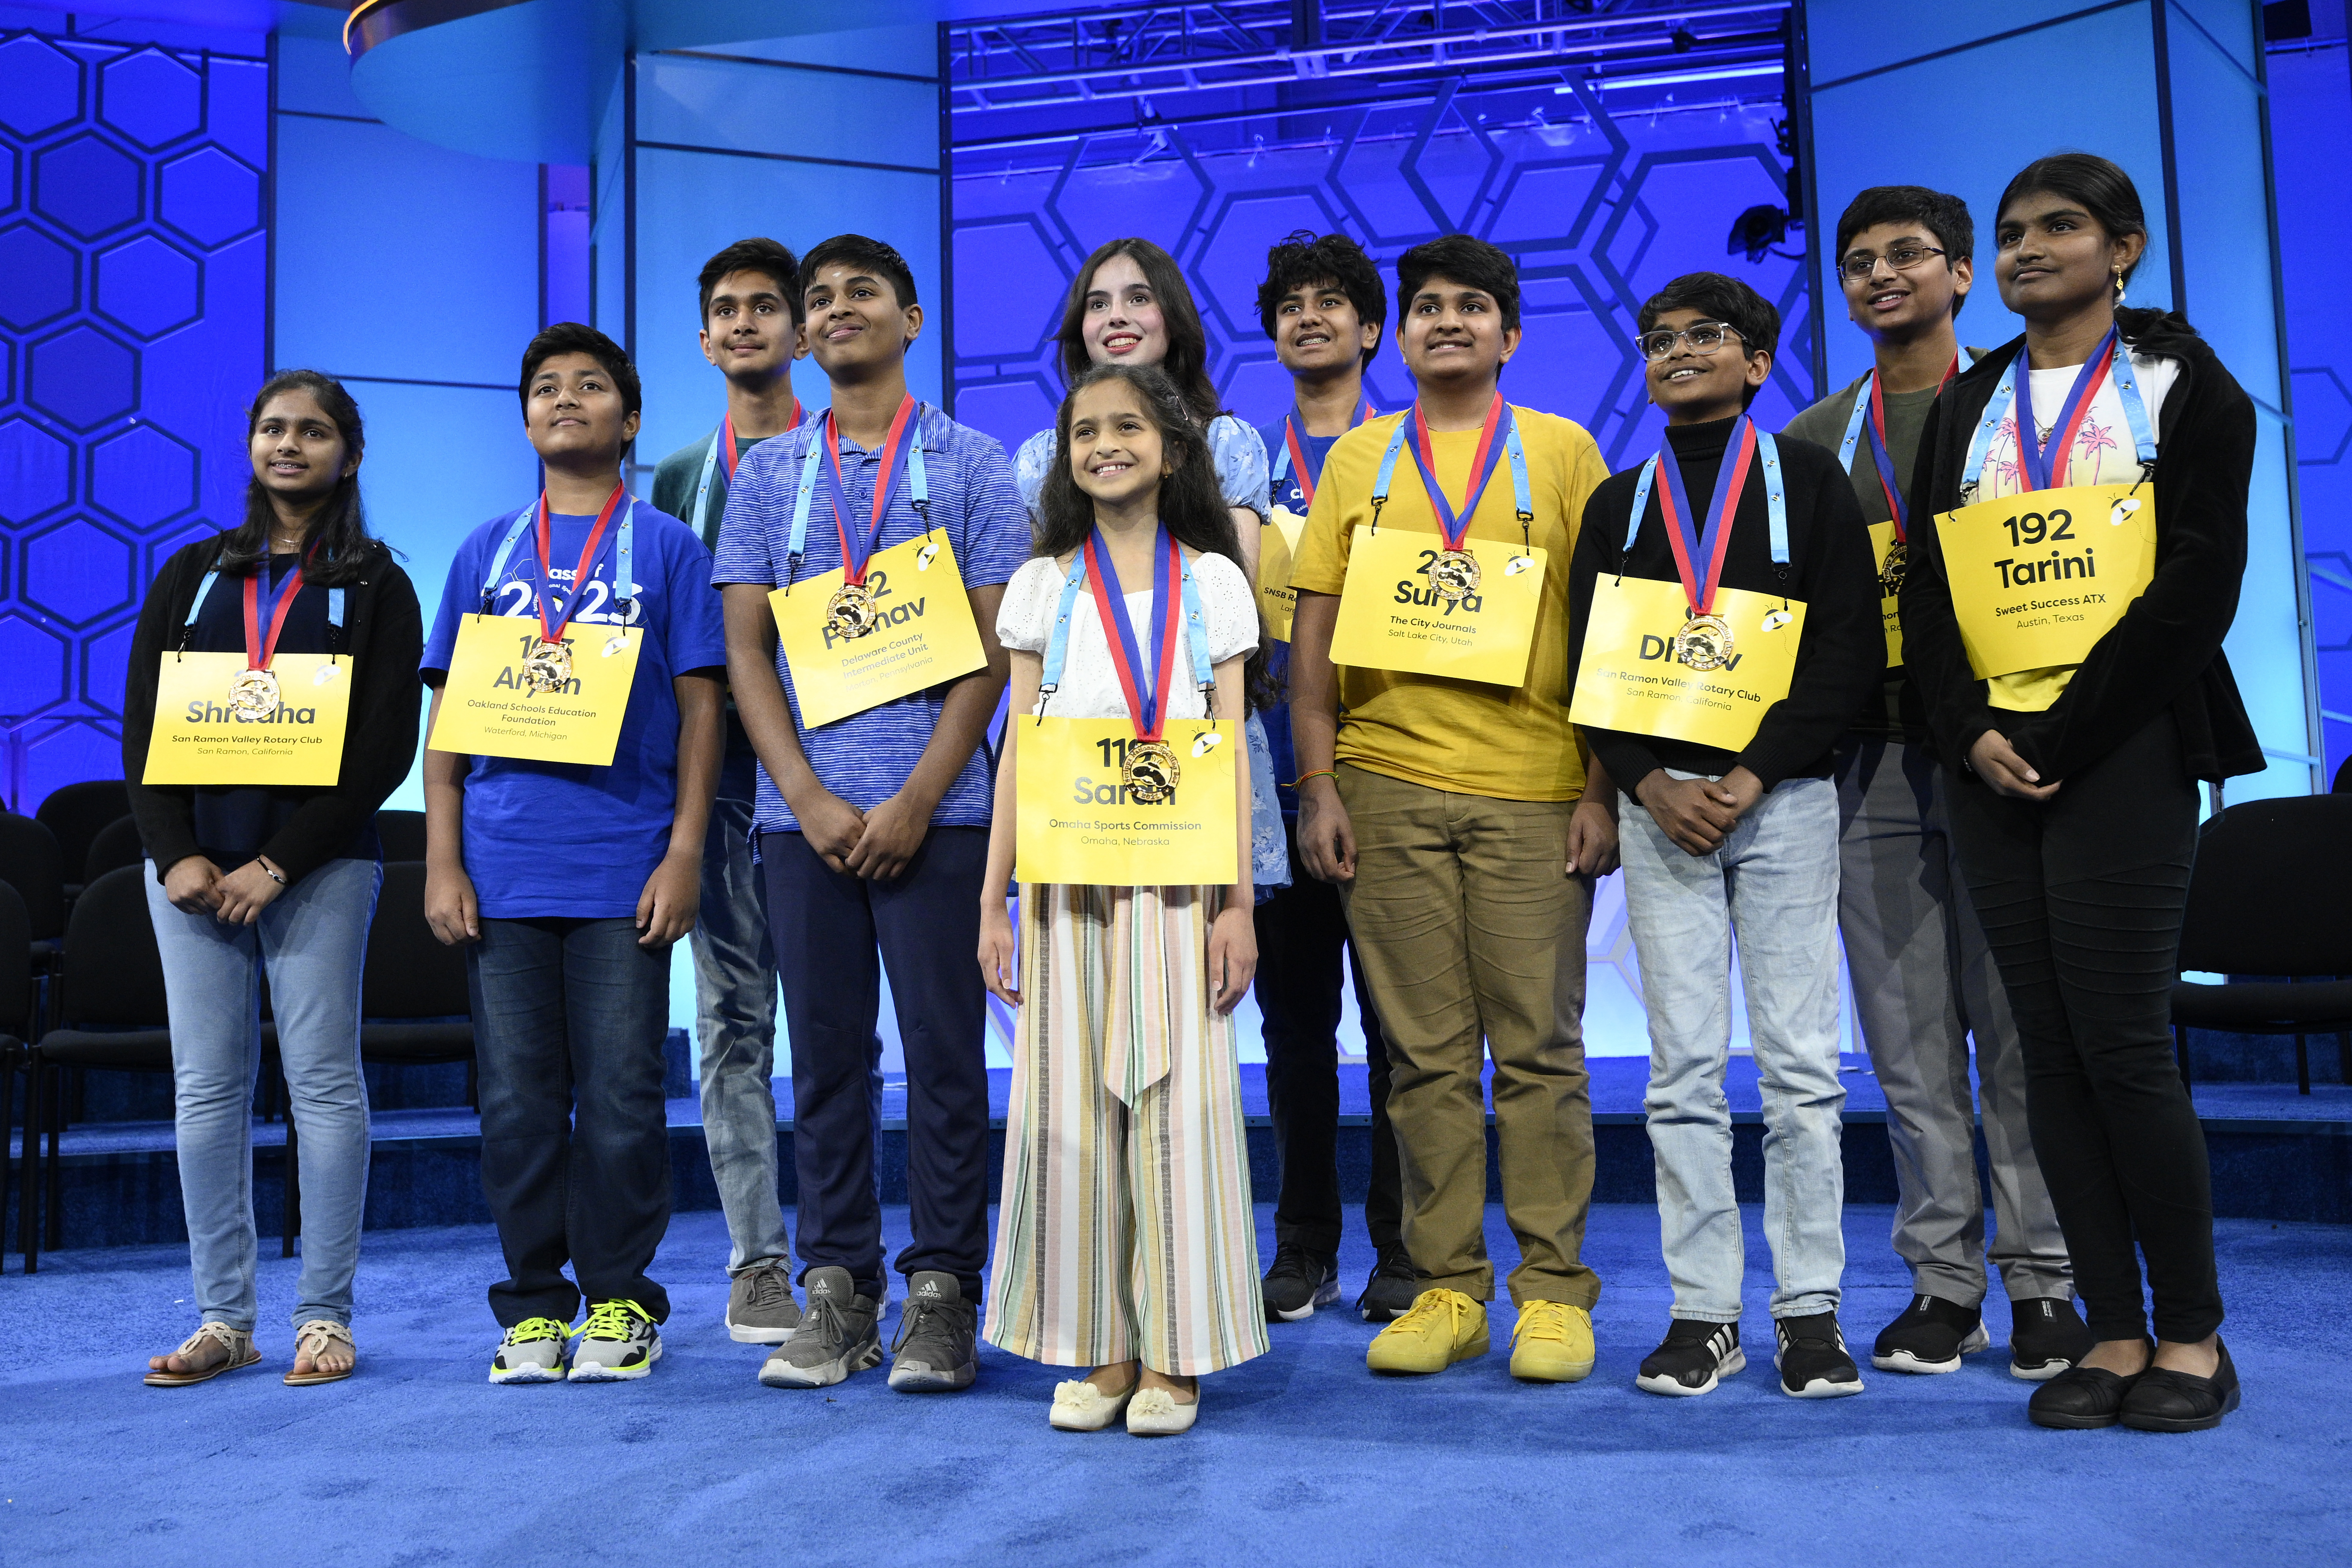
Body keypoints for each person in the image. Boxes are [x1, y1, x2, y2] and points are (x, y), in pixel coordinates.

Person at [1901, 153, 2260, 1433]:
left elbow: (2198, 584)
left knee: (2121, 1046)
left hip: (2124, 748)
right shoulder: (1969, 398)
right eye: (2009, 232)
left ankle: (2192, 1337)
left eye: (2057, 226)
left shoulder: (2185, 385)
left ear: (2123, 247)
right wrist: (1968, 730)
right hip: (1991, 761)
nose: (2024, 249)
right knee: (2044, 1052)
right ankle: (2110, 1329)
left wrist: (2066, 726)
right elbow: (1930, 589)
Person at [1288, 234, 1615, 1384]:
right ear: (1403, 332)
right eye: (1426, 305)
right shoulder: (1361, 459)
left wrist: (1598, 786)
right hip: (1381, 783)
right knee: (1422, 1060)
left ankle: (1552, 1291)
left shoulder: (1562, 450)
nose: (1446, 322)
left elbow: (1605, 622)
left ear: (1508, 334)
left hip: (1534, 787)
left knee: (1538, 1052)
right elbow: (1313, 639)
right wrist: (1316, 783)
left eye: (1471, 306)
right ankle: (1445, 1286)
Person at [1782, 186, 2087, 1382]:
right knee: (1908, 1048)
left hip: (2004, 754)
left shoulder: (2023, 410)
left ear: (1960, 273)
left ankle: (2043, 1275)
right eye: (1857, 261)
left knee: (2014, 1032)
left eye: (1906, 255)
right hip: (1867, 764)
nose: (1879, 275)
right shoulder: (1814, 438)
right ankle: (1942, 1282)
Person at [714, 233, 1026, 1393]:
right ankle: (838, 1288)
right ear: (803, 334)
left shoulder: (970, 463)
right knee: (825, 1059)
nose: (837, 308)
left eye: (862, 292)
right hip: (803, 823)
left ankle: (942, 1291)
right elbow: (746, 650)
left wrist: (917, 797)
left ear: (912, 319)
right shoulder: (767, 474)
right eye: (820, 298)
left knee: (946, 1057)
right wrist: (801, 793)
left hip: (940, 813)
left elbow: (994, 649)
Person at [1572, 274, 1881, 1400]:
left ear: (1755, 363)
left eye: (1704, 335)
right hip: (1659, 810)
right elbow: (1590, 669)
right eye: (1658, 338)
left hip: (1782, 800)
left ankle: (1809, 1310)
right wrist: (1648, 785)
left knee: (1799, 1067)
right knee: (1681, 1073)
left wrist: (1749, 776)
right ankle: (1703, 1311)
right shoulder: (1619, 503)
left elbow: (1848, 653)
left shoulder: (1808, 479)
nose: (1677, 350)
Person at [421, 323, 726, 1384]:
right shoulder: (485, 551)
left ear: (629, 420)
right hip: (502, 866)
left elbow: (702, 713)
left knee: (622, 1097)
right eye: (545, 387)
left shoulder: (668, 549)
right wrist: (442, 858)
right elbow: (448, 726)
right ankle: (534, 1304)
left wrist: (684, 851)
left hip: (623, 867)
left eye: (590, 385)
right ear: (524, 420)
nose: (565, 399)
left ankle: (622, 1298)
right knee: (514, 1101)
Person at [980, 361, 1266, 1436]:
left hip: (1182, 889)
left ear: (1174, 449)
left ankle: (1176, 1353)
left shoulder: (1213, 583)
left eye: (1128, 427)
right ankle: (1102, 1348)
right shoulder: (1042, 586)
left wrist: (1239, 904)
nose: (1104, 444)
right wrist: (992, 901)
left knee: (1179, 1111)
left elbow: (1230, 756)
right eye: (1084, 431)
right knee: (1067, 1114)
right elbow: (1018, 754)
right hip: (1064, 886)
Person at [124, 370, 421, 1388]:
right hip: (194, 876)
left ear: (350, 453)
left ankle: (324, 1316)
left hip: (319, 868)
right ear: (251, 443)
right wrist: (175, 853)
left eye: (313, 431)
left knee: (323, 1084)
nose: (289, 444)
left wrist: (278, 860)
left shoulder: (377, 582)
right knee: (207, 1089)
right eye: (273, 428)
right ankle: (224, 1319)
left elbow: (382, 752)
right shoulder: (193, 573)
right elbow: (142, 730)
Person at [1013, 238, 1288, 903]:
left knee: (1198, 944)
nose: (1117, 315)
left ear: (1173, 319)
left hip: (1197, 728)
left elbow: (1233, 611)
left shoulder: (1226, 443)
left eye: (1138, 298)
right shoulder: (1040, 458)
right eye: (1097, 303)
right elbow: (1041, 619)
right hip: (1083, 744)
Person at [648, 238, 812, 1345]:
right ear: (703, 341)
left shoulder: (851, 455)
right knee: (731, 1024)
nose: (744, 323)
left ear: (799, 330)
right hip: (717, 783)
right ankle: (758, 1260)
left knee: (839, 1028)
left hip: (834, 775)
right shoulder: (675, 479)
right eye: (726, 310)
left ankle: (849, 1251)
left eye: (764, 306)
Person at [1247, 229, 1412, 1323]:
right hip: (1270, 779)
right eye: (1290, 305)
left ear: (1369, 329)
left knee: (1405, 1034)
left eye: (1331, 302)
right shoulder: (1240, 469)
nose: (1309, 318)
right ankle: (1303, 1242)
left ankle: (1407, 1244)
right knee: (1295, 1031)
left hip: (1391, 767)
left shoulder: (1413, 460)